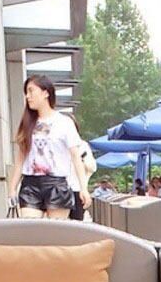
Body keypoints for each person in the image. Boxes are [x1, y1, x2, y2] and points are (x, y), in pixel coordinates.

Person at [8, 75, 91, 219]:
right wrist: (12, 188)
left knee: (55, 230)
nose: (28, 96)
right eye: (26, 92)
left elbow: (75, 157)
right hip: (30, 184)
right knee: (30, 229)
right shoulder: (27, 123)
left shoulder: (64, 122)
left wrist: (83, 189)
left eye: (31, 91)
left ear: (45, 93)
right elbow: (20, 160)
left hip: (56, 184)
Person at [67, 118, 97, 221]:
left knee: (76, 221)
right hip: (58, 188)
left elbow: (92, 167)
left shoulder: (82, 145)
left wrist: (82, 160)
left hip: (77, 188)